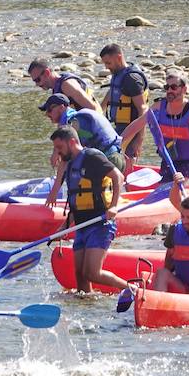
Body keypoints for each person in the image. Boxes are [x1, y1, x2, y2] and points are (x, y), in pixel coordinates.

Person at [46, 125, 130, 294]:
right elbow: (75, 201)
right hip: (82, 225)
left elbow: (118, 177)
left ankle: (133, 290)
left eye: (59, 147)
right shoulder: (70, 165)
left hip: (100, 223)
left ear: (71, 142)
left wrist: (113, 206)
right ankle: (88, 306)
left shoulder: (92, 157)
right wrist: (65, 227)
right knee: (80, 275)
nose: (58, 152)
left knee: (92, 273)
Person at [118, 72, 189, 183]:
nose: (169, 91)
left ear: (184, 89)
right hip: (169, 160)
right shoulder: (159, 106)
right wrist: (117, 144)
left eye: (174, 87)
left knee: (179, 189)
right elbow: (136, 125)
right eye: (167, 87)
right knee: (163, 191)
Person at [40, 94, 124, 171]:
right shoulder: (76, 118)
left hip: (109, 161)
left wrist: (57, 153)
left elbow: (70, 156)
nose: (47, 114)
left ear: (62, 107)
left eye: (50, 110)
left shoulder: (74, 122)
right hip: (117, 158)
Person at [100, 43, 149, 169]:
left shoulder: (132, 79)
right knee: (114, 160)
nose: (106, 67)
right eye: (105, 63)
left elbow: (143, 110)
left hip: (132, 130)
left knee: (127, 161)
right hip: (119, 128)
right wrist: (100, 109)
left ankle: (129, 185)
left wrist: (139, 141)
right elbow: (113, 91)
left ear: (118, 57)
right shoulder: (118, 74)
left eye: (108, 63)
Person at [28, 58, 96, 110]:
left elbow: (92, 108)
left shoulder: (67, 85)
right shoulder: (57, 87)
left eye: (37, 80)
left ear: (47, 73)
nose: (37, 84)